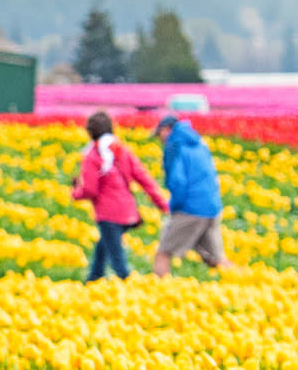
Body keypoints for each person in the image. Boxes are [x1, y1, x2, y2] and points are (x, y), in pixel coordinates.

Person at [69, 111, 161, 281]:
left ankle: (135, 290)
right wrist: (161, 202)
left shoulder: (92, 155)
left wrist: (75, 193)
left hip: (108, 215)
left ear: (90, 132)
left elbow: (90, 190)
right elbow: (142, 177)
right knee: (102, 251)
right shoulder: (122, 150)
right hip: (127, 212)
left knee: (119, 264)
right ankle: (93, 281)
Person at [152, 109, 226, 274]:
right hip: (212, 207)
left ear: (167, 129)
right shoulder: (198, 142)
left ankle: (157, 292)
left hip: (191, 208)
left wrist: (174, 206)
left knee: (163, 253)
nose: (160, 140)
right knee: (216, 259)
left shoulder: (174, 145)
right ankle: (244, 283)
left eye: (159, 134)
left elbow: (178, 182)